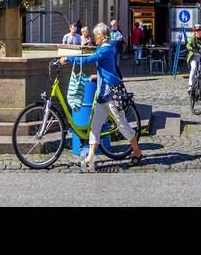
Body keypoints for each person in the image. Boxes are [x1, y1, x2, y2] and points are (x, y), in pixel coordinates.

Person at [60, 22, 144, 170]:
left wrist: (69, 59)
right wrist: (97, 75)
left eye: (96, 36)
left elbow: (89, 60)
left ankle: (137, 152)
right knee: (95, 127)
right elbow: (106, 68)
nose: (94, 38)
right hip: (102, 95)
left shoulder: (105, 49)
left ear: (102, 36)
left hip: (110, 94)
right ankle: (90, 157)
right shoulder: (105, 47)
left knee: (122, 124)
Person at [185, 25, 201, 92]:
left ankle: (200, 88)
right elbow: (188, 45)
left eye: (200, 31)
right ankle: (190, 86)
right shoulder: (193, 38)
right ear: (195, 32)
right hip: (194, 56)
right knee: (194, 68)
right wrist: (190, 48)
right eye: (197, 31)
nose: (199, 33)